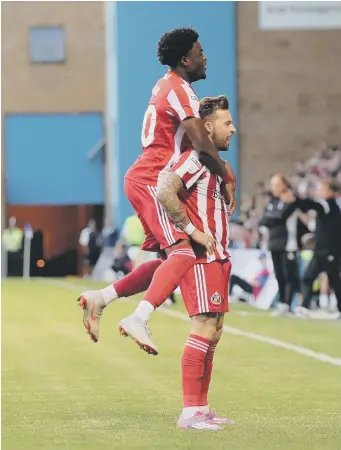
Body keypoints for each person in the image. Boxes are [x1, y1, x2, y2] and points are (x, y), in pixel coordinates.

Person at [78, 28, 236, 349]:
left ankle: (102, 298)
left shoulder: (167, 85)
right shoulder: (181, 90)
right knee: (185, 251)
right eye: (199, 51)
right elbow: (204, 145)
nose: (204, 57)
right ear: (184, 59)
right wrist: (226, 176)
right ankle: (139, 318)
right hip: (154, 178)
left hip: (147, 175)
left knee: (170, 262)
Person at [152, 95, 235, 429]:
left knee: (214, 331)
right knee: (202, 326)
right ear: (208, 127)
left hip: (219, 256)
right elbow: (164, 190)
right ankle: (189, 411)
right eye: (227, 123)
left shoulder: (217, 165)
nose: (233, 128)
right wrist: (191, 230)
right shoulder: (196, 158)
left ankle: (202, 407)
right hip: (201, 259)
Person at [296, 180, 341, 318]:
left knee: (311, 277)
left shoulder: (328, 204)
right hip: (323, 250)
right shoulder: (328, 206)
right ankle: (305, 307)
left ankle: (304, 307)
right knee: (333, 280)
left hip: (328, 251)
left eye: (321, 188)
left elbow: (312, 204)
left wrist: (298, 198)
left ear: (329, 191)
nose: (318, 191)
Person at [259, 174, 301, 316]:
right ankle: (282, 302)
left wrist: (273, 216)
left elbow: (281, 216)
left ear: (284, 185)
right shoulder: (273, 201)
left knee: (289, 275)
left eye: (276, 184)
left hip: (288, 243)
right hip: (274, 242)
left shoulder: (291, 200)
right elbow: (264, 219)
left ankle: (288, 304)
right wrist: (273, 217)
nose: (273, 188)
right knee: (279, 275)